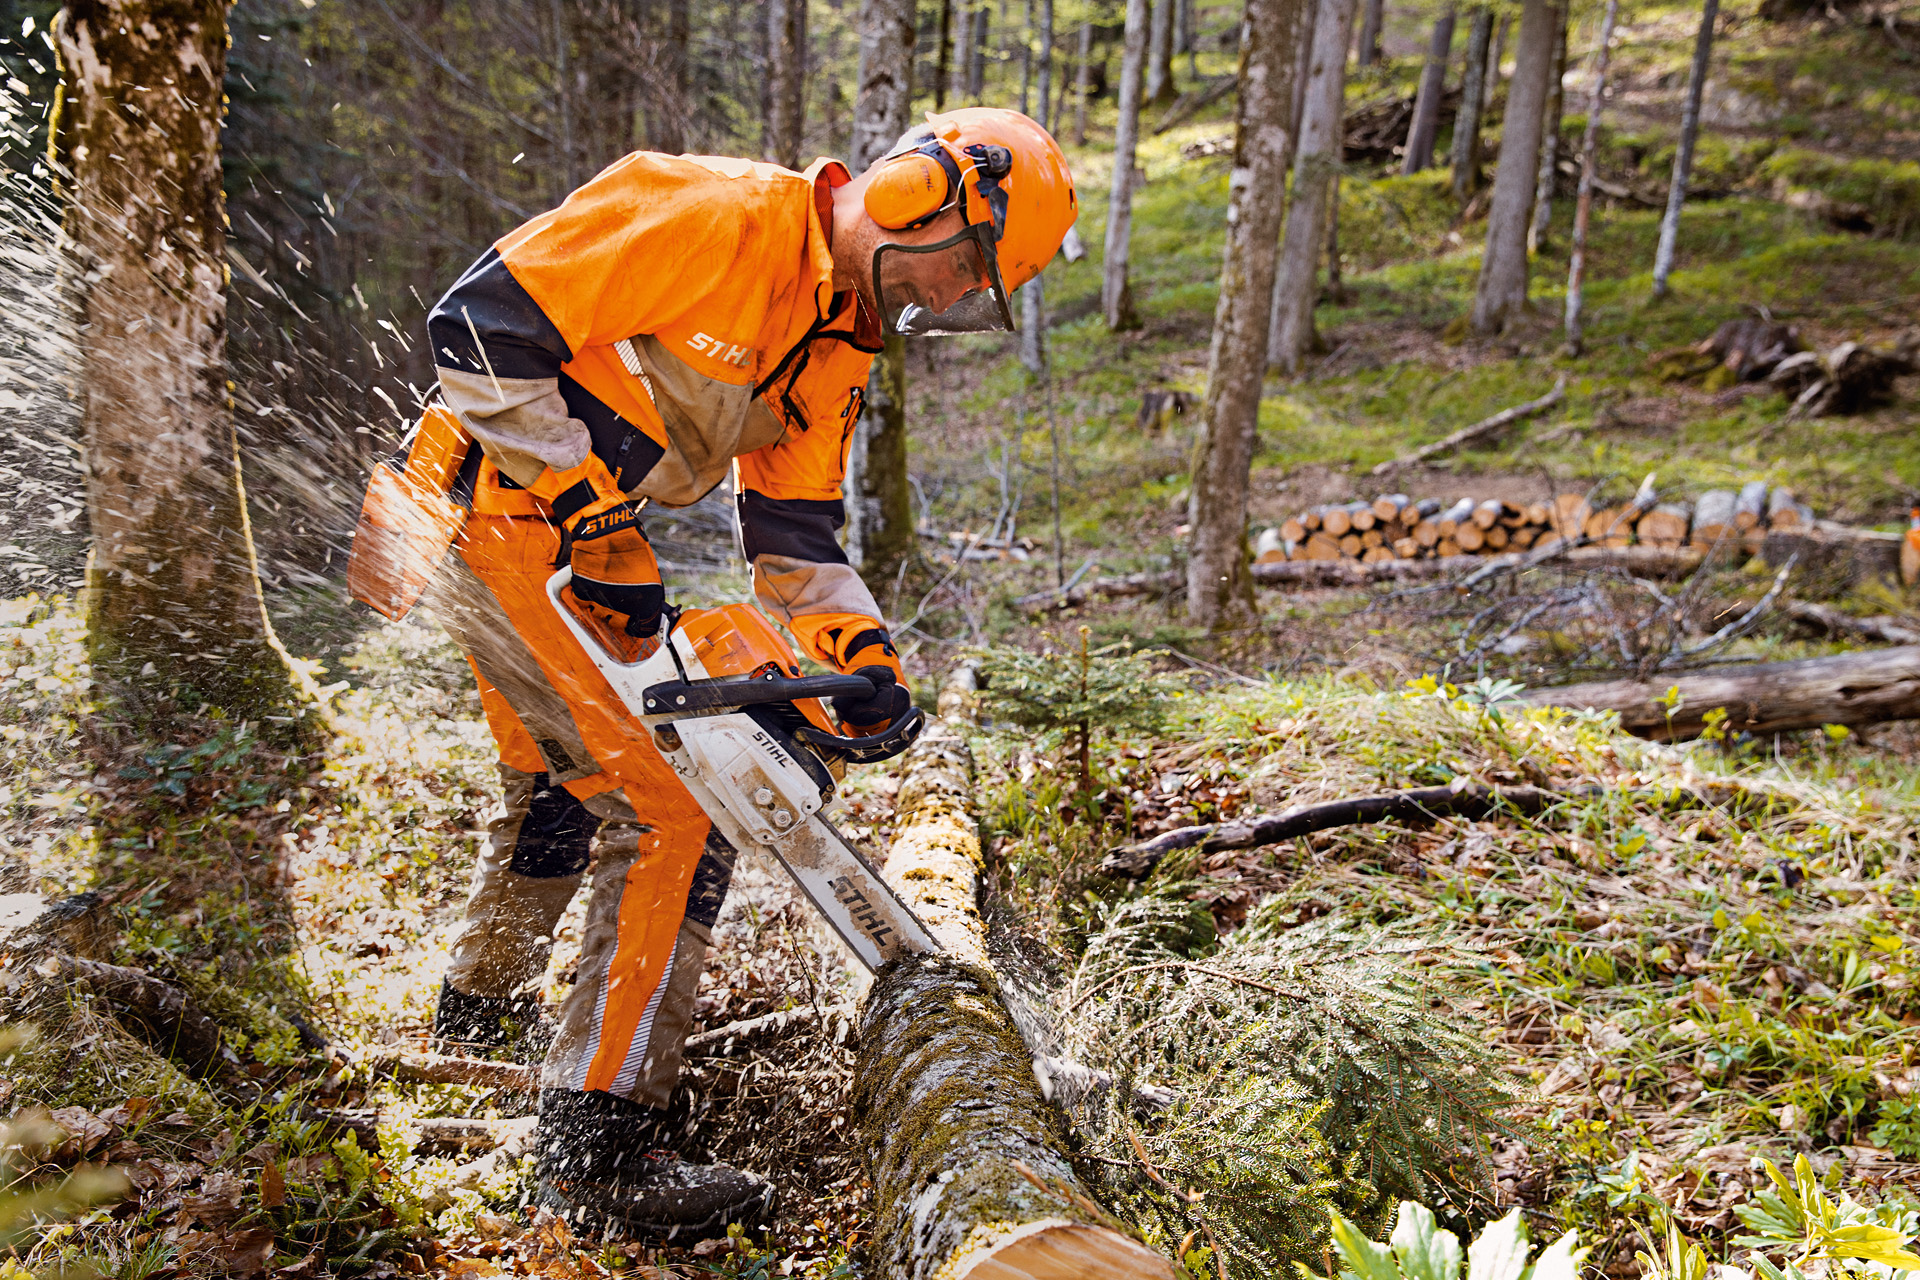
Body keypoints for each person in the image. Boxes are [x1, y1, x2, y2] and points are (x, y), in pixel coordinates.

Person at [380, 107, 1076, 1236]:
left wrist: (864, 656)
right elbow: (476, 326)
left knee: (565, 786)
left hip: (549, 524)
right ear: (918, 194)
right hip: (495, 502)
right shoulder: (716, 215)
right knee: (669, 808)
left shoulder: (839, 336)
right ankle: (596, 1145)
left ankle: (472, 1028)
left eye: (972, 291)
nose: (950, 298)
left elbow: (796, 538)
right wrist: (591, 516)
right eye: (966, 268)